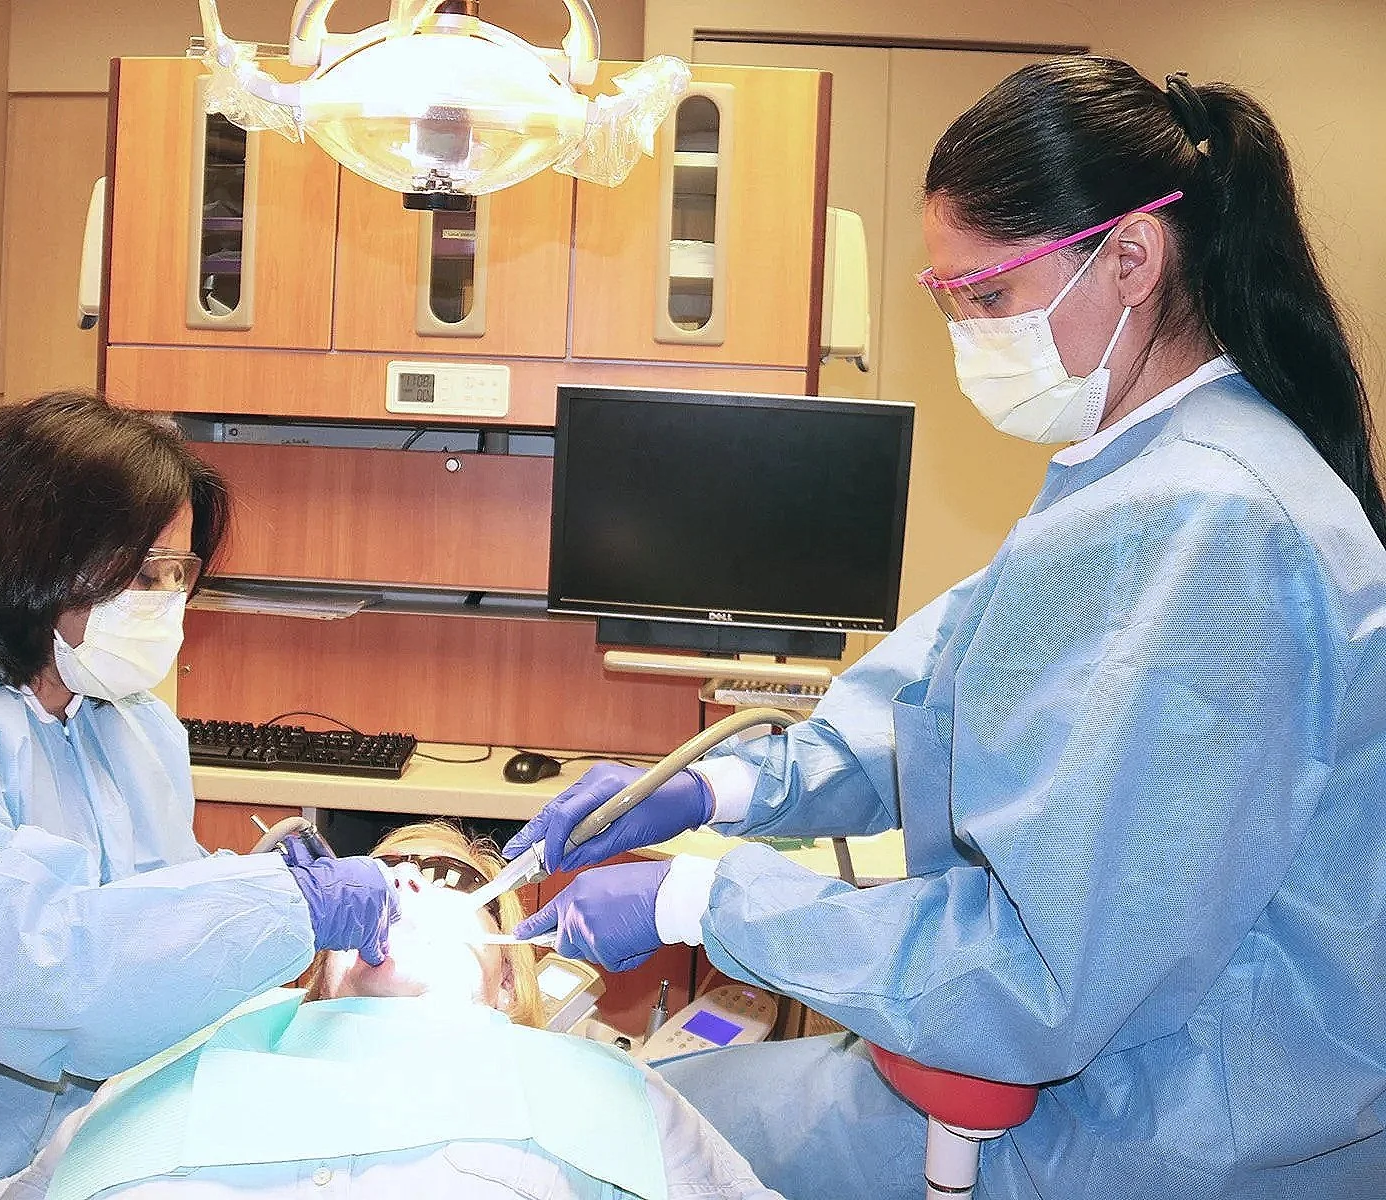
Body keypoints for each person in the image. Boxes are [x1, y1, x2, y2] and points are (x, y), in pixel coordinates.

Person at [507, 57, 1386, 1199]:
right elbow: (938, 702)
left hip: (1167, 1127)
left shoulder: (1217, 524)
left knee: (625, 1145)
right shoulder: (1138, 475)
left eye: (987, 297)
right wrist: (713, 792)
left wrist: (700, 900)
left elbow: (1041, 980)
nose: (969, 334)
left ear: (1129, 258)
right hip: (1084, 1078)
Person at [0, 393, 401, 1200]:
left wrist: (248, 879)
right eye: (140, 570)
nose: (162, 599)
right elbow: (19, 965)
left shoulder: (133, 730)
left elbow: (137, 908)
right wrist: (269, 906)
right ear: (33, 560)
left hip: (84, 1156)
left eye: (178, 573)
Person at [0, 823, 784, 1200]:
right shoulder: (183, 1068)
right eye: (383, 875)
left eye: (457, 883)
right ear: (316, 969)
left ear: (509, 985)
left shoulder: (601, 1091)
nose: (414, 888)